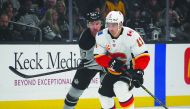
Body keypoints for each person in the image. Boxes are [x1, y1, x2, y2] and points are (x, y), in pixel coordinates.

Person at [94, 11, 150, 109]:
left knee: (120, 88)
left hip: (128, 70)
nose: (111, 28)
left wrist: (138, 71)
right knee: (104, 98)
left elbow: (143, 55)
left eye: (114, 25)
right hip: (112, 71)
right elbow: (98, 56)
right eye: (109, 24)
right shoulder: (101, 36)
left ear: (120, 24)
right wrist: (110, 62)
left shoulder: (132, 35)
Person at [63, 11, 104, 109]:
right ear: (88, 24)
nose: (95, 27)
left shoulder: (108, 32)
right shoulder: (84, 39)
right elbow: (88, 61)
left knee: (107, 92)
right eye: (92, 24)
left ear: (101, 24)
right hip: (89, 65)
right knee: (74, 93)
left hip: (106, 65)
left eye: (97, 23)